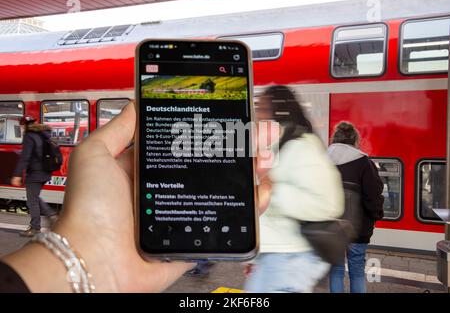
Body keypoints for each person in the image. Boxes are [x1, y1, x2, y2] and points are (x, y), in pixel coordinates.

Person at [0, 103, 268, 292]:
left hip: (35, 177)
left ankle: (38, 222)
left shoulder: (30, 139)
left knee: (34, 199)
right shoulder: (43, 135)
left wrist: (88, 257)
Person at [245, 85, 344, 293]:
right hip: (275, 256)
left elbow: (328, 203)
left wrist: (271, 191)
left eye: (262, 109)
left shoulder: (303, 146)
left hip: (290, 259)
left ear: (279, 111)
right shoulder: (275, 144)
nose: (257, 114)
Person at [327, 121, 384, 293]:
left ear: (334, 139)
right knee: (357, 272)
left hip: (331, 228)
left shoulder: (323, 160)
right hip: (358, 229)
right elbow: (373, 195)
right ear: (354, 140)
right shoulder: (364, 162)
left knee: (335, 271)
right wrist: (375, 215)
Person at [11, 116, 58, 237]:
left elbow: (25, 157)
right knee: (35, 198)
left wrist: (17, 175)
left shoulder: (29, 136)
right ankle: (51, 215)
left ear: (24, 126)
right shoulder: (43, 134)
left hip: (35, 173)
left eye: (21, 126)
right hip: (45, 172)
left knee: (32, 201)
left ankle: (35, 227)